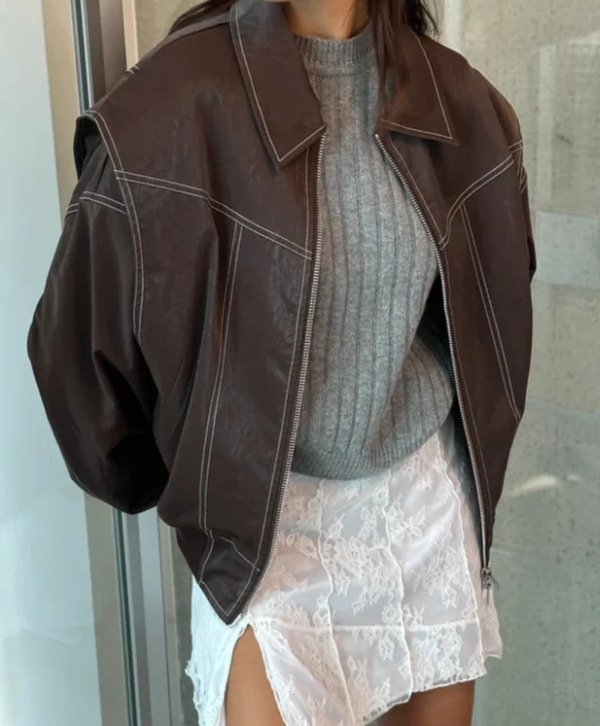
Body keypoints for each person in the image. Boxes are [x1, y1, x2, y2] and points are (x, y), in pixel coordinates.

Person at [27, 0, 536, 723]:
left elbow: (489, 320)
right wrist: (209, 476)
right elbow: (83, 368)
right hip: (267, 532)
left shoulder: (463, 104)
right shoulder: (169, 107)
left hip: (420, 507)